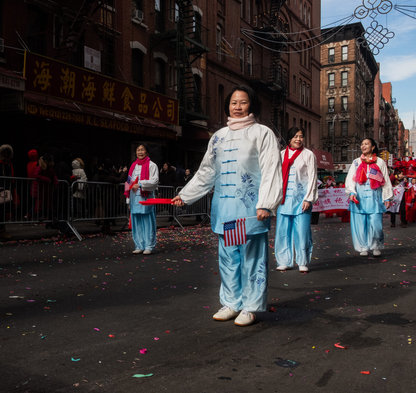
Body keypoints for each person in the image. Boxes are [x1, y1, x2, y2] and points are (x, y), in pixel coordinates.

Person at [172, 85, 282, 327]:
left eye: (243, 102)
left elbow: (271, 168)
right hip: (226, 211)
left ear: (251, 104)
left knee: (251, 258)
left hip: (251, 210)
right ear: (228, 106)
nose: (238, 107)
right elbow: (206, 171)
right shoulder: (219, 137)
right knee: (229, 257)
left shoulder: (262, 133)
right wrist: (186, 195)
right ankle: (232, 303)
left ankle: (251, 307)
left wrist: (266, 203)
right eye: (234, 103)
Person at [274, 127, 317, 273]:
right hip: (284, 199)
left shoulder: (308, 155)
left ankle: (302, 261)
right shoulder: (280, 155)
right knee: (282, 231)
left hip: (301, 199)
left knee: (302, 231)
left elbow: (312, 177)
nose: (298, 139)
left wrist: (308, 199)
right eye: (295, 136)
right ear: (289, 138)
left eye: (301, 136)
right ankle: (284, 261)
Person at [344, 138, 392, 257]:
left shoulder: (379, 162)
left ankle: (376, 246)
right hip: (359, 198)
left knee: (376, 224)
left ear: (373, 147)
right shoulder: (356, 162)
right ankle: (363, 246)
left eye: (366, 144)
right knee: (360, 224)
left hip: (374, 198)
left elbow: (385, 180)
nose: (363, 146)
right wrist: (351, 192)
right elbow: (350, 179)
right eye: (362, 144)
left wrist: (387, 197)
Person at [125, 144, 159, 255]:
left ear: (147, 152)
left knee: (147, 221)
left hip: (146, 196)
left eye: (142, 150)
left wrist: (139, 184)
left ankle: (149, 246)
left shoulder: (152, 165)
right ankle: (139, 245)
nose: (140, 152)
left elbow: (154, 181)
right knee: (136, 221)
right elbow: (128, 181)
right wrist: (127, 196)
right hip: (134, 197)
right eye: (138, 150)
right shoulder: (133, 166)